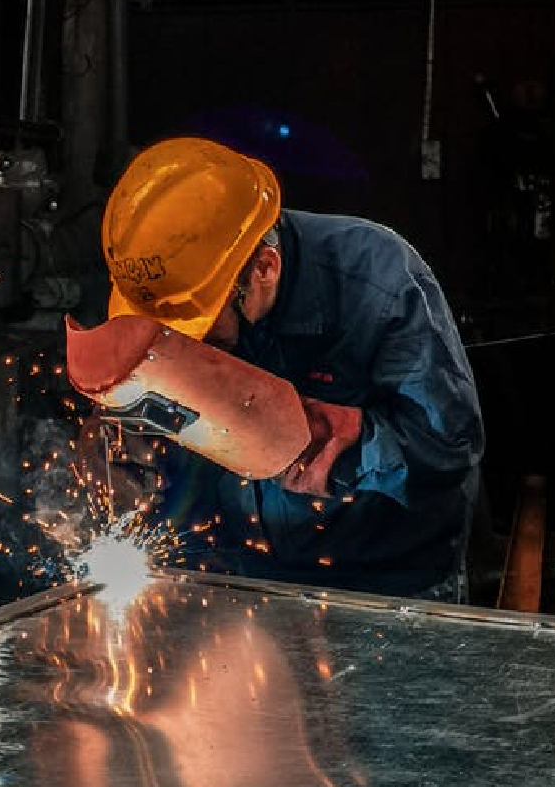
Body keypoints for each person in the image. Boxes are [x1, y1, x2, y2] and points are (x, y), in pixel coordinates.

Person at [80, 136, 484, 602]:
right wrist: (128, 442)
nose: (188, 346)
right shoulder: (169, 284)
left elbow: (449, 449)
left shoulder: (379, 279)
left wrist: (318, 438)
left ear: (263, 269)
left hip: (386, 584)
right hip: (242, 576)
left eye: (202, 328)